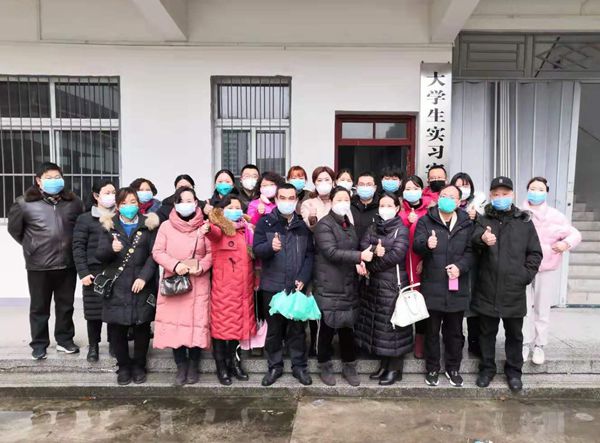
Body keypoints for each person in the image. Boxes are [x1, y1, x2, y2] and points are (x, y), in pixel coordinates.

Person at [471, 176, 542, 392]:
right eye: (496, 194)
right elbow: (472, 245)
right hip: (488, 287)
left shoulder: (524, 221)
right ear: (490, 196)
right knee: (486, 333)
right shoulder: (483, 220)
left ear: (512, 195)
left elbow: (535, 253)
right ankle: (487, 369)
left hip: (514, 288)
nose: (500, 197)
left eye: (504, 194)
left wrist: (525, 275)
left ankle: (514, 372)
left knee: (514, 334)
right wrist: (482, 240)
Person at [8, 162, 85, 360]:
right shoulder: (24, 203)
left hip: (67, 263)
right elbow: (15, 230)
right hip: (39, 265)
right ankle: (39, 344)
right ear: (38, 181)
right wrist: (32, 246)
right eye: (49, 178)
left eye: (57, 177)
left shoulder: (74, 202)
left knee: (65, 306)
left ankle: (65, 340)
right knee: (39, 307)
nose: (54, 181)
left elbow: (81, 229)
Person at [253, 183, 315, 386]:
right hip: (272, 286)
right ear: (276, 199)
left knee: (297, 330)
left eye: (291, 198)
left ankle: (299, 367)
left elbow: (310, 255)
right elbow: (257, 250)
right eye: (283, 198)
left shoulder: (303, 226)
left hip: (296, 287)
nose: (287, 202)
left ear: (296, 200)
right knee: (274, 331)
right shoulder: (265, 223)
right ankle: (274, 367)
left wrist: (304, 278)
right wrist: (270, 247)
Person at [96, 187, 159, 385]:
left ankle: (139, 365)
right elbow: (99, 256)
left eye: (132, 202)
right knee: (117, 328)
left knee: (142, 326)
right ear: (117, 206)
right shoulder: (109, 226)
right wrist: (111, 249)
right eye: (124, 203)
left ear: (138, 204)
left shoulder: (148, 225)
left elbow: (154, 255)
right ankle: (123, 366)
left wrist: (144, 277)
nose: (129, 206)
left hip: (141, 285)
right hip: (117, 286)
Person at [413, 185, 474, 388]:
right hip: (433, 285)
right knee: (431, 331)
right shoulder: (426, 220)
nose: (447, 199)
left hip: (457, 286)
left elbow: (472, 252)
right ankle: (432, 369)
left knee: (454, 332)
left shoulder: (467, 223)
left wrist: (460, 267)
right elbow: (416, 245)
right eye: (444, 195)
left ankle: (453, 368)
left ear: (459, 202)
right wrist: (426, 245)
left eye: (452, 197)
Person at [313, 186, 374, 387]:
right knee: (327, 327)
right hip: (329, 284)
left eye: (346, 199)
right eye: (338, 199)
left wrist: (358, 263)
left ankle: (349, 365)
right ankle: (324, 364)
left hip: (348, 282)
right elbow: (330, 252)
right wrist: (359, 256)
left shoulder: (348, 224)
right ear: (331, 201)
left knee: (348, 326)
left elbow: (350, 249)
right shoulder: (324, 225)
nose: (343, 203)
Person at [152, 187, 213, 385]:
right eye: (182, 201)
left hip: (198, 282)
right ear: (175, 204)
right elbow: (157, 252)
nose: (186, 204)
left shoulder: (204, 226)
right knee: (175, 325)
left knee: (196, 324)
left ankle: (194, 365)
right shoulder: (166, 227)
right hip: (175, 282)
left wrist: (201, 267)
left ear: (196, 203)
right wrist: (175, 265)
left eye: (190, 201)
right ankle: (181, 365)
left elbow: (212, 253)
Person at [521, 177, 581, 365]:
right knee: (523, 308)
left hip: (546, 266)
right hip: (522, 267)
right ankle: (524, 343)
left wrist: (565, 244)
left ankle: (539, 345)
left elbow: (575, 234)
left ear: (546, 192)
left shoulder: (555, 216)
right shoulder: (519, 213)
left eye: (540, 189)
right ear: (527, 190)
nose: (536, 192)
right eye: (532, 188)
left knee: (542, 307)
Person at [355, 192, 412, 386]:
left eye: (389, 205)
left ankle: (395, 369)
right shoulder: (373, 226)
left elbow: (396, 255)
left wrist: (372, 265)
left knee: (394, 328)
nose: (385, 208)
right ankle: (384, 366)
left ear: (397, 208)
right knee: (381, 328)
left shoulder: (401, 230)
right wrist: (373, 251)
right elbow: (363, 245)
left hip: (393, 285)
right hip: (374, 286)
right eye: (382, 205)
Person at [205, 195, 256, 385]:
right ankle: (221, 367)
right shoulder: (219, 228)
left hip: (243, 289)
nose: (235, 210)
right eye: (230, 207)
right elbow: (213, 233)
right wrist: (208, 227)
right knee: (221, 330)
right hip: (223, 290)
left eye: (237, 207)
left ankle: (234, 364)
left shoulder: (246, 229)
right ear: (222, 210)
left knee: (237, 330)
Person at [72, 180, 117, 362]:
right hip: (93, 272)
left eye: (113, 192)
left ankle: (114, 344)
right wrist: (83, 272)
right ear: (96, 196)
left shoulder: (119, 217)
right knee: (93, 312)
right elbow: (78, 247)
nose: (111, 196)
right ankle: (93, 346)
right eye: (107, 192)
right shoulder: (85, 219)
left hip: (115, 270)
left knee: (114, 310)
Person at [450, 172, 486, 356]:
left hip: (474, 262)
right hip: (453, 261)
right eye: (458, 185)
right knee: (454, 303)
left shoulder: (480, 207)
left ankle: (474, 341)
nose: (462, 189)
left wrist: (477, 217)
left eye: (465, 185)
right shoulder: (448, 205)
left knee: (473, 302)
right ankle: (455, 341)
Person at [398, 175, 431, 359]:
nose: (412, 192)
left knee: (421, 301)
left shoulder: (429, 212)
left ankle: (420, 339)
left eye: (415, 188)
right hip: (402, 264)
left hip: (421, 263)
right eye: (408, 188)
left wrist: (425, 260)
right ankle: (402, 341)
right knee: (402, 301)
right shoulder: (398, 211)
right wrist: (407, 222)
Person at [350, 171, 380, 241]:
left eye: (369, 184)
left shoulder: (381, 207)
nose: (365, 187)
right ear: (356, 187)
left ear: (375, 188)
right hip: (352, 247)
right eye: (361, 184)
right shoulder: (350, 206)